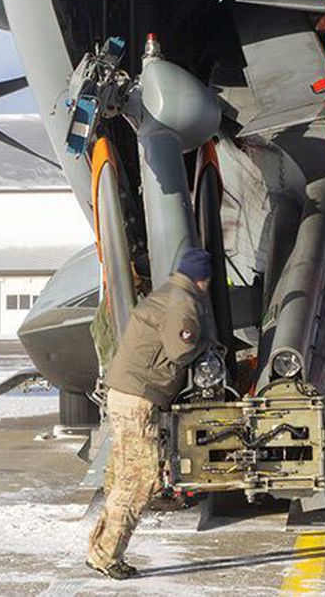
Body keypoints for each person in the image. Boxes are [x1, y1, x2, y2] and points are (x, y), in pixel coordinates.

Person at [86, 248, 215, 580]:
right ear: (204, 279)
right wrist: (206, 345)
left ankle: (100, 550)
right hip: (139, 398)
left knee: (121, 477)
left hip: (125, 393)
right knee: (139, 479)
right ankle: (107, 556)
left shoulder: (168, 292)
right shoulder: (182, 301)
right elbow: (180, 348)